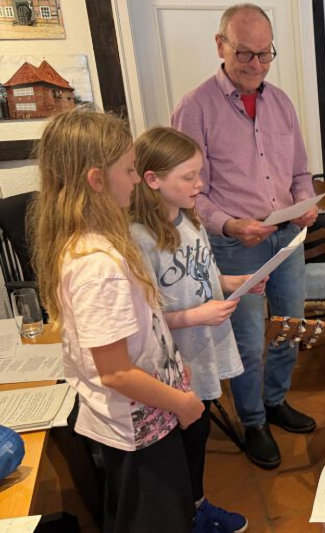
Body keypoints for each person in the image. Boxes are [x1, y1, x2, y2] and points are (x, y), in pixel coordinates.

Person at [31, 109, 204, 532]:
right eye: (128, 169)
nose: (135, 178)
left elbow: (140, 334)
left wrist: (174, 368)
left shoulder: (99, 245)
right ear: (96, 180)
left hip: (145, 416)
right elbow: (116, 372)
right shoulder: (97, 265)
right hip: (136, 429)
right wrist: (181, 402)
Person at [172, 3, 317, 469]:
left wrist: (306, 201)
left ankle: (276, 401)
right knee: (249, 340)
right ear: (221, 46)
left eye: (265, 54)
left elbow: (300, 173)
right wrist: (230, 224)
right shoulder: (194, 108)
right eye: (245, 54)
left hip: (286, 238)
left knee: (289, 327)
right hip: (235, 244)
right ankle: (253, 420)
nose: (256, 64)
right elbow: (191, 192)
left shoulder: (282, 103)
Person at [130, 126, 269, 533]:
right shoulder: (138, 237)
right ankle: (189, 513)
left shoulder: (190, 219)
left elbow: (202, 276)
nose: (200, 184)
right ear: (153, 179)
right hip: (175, 356)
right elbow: (144, 317)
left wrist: (234, 281)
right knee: (185, 440)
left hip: (203, 346)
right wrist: (196, 316)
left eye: (199, 174)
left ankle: (195, 505)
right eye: (189, 177)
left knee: (199, 429)